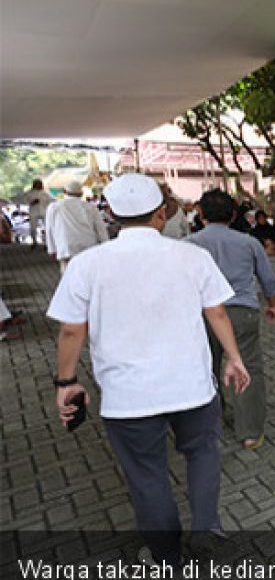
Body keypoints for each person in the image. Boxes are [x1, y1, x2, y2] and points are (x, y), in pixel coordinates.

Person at [46, 173, 250, 566]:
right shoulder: (191, 255)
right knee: (203, 452)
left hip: (129, 397)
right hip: (192, 386)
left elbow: (71, 330)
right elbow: (218, 311)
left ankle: (165, 555)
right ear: (161, 213)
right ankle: (206, 527)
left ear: (110, 213)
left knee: (147, 474)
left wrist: (66, 382)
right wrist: (234, 357)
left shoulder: (88, 264)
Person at [188, 190, 275, 450]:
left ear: (200, 213)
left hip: (204, 315)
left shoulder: (189, 244)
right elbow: (268, 280)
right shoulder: (249, 242)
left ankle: (211, 424)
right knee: (248, 367)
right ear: (234, 214)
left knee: (207, 368)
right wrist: (272, 305)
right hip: (243, 312)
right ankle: (250, 432)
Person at [45, 180, 108, 274]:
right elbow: (100, 229)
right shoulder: (90, 207)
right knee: (88, 274)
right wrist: (105, 245)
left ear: (64, 192)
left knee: (67, 275)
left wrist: (52, 249)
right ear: (81, 193)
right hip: (88, 246)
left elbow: (49, 229)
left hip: (66, 246)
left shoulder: (55, 207)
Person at [20, 179, 52, 247]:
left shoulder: (45, 193)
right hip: (33, 211)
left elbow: (49, 202)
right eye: (37, 184)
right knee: (33, 227)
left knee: (47, 227)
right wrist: (32, 202)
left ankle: (47, 242)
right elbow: (24, 201)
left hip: (44, 211)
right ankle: (34, 241)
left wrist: (44, 203)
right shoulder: (29, 193)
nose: (39, 185)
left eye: (40, 184)